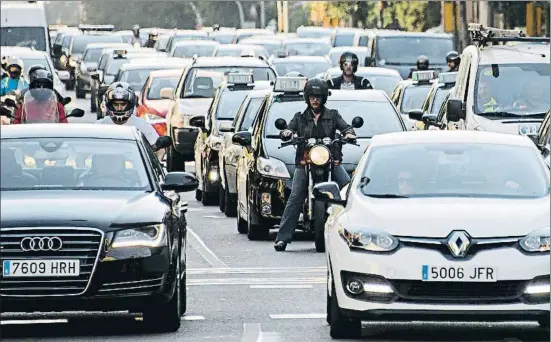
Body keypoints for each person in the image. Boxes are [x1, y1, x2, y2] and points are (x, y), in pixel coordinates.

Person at [274, 78, 357, 252]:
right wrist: (287, 132)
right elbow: (288, 129)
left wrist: (349, 134)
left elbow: (346, 128)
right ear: (307, 97)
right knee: (296, 195)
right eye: (312, 96)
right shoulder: (300, 117)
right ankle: (282, 238)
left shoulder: (333, 115)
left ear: (324, 97)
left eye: (318, 97)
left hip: (330, 159)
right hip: (306, 160)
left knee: (349, 189)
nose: (315, 100)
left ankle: (355, 232)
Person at [96, 82, 163, 158]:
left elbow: (159, 149)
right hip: (102, 168)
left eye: (123, 104)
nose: (119, 108)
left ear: (130, 104)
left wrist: (155, 167)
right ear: (109, 105)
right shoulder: (100, 126)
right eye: (116, 104)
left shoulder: (142, 125)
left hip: (135, 168)